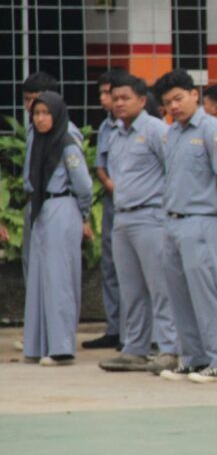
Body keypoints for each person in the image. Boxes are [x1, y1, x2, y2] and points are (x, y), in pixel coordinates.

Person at [156, 69, 217, 382]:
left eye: (178, 98)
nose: (174, 106)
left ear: (194, 95)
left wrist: (213, 199)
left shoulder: (212, 129)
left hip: (202, 220)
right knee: (180, 295)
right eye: (167, 102)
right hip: (174, 220)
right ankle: (193, 358)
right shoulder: (172, 133)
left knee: (207, 292)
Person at [96, 75, 178, 374]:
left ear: (142, 101)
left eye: (125, 97)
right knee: (130, 288)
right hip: (123, 217)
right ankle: (135, 349)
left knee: (160, 286)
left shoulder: (157, 130)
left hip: (151, 217)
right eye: (114, 98)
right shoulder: (115, 133)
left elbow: (174, 169)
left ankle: (169, 348)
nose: (118, 103)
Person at [21, 92, 93, 366]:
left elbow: (84, 185)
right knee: (39, 276)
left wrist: (83, 215)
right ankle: (38, 345)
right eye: (36, 113)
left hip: (62, 207)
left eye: (45, 113)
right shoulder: (40, 142)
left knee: (59, 277)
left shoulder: (66, 143)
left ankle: (61, 347)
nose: (40, 119)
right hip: (41, 209)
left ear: (57, 114)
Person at [84, 69, 126, 351]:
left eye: (108, 93)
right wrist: (110, 185)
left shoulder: (147, 126)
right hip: (114, 202)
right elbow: (100, 164)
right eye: (101, 93)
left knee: (133, 270)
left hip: (139, 205)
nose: (104, 99)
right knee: (110, 266)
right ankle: (115, 327)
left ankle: (137, 332)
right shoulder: (106, 128)